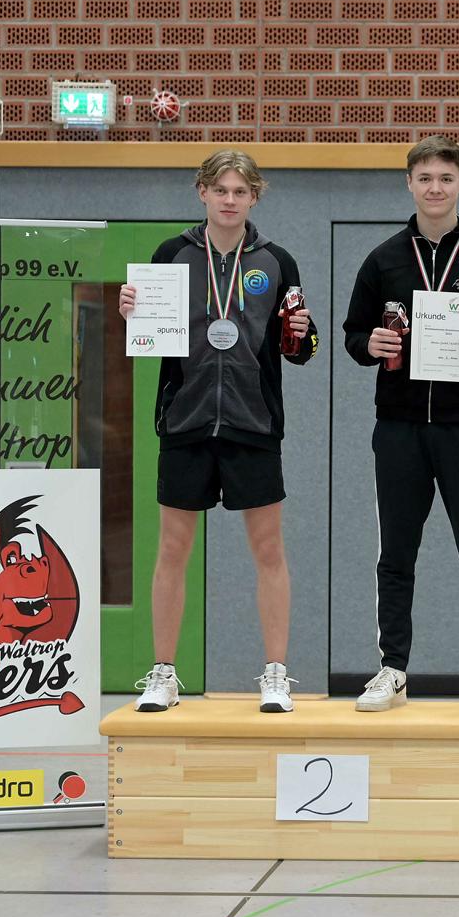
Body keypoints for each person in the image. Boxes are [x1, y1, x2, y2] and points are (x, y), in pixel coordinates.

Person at [341, 137, 459, 713]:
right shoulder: (382, 259)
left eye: (445, 178)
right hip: (398, 427)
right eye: (424, 177)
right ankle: (392, 668)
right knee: (395, 553)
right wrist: (369, 345)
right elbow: (353, 333)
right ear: (409, 183)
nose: (434, 188)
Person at [122, 150, 318, 713]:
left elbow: (302, 350)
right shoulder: (172, 255)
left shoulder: (278, 261)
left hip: (254, 423)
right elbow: (152, 338)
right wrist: (132, 312)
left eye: (240, 191)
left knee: (269, 549)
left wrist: (303, 332)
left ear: (254, 197)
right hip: (185, 421)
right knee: (173, 548)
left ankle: (276, 675)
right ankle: (163, 673)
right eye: (220, 190)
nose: (230, 200)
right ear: (202, 193)